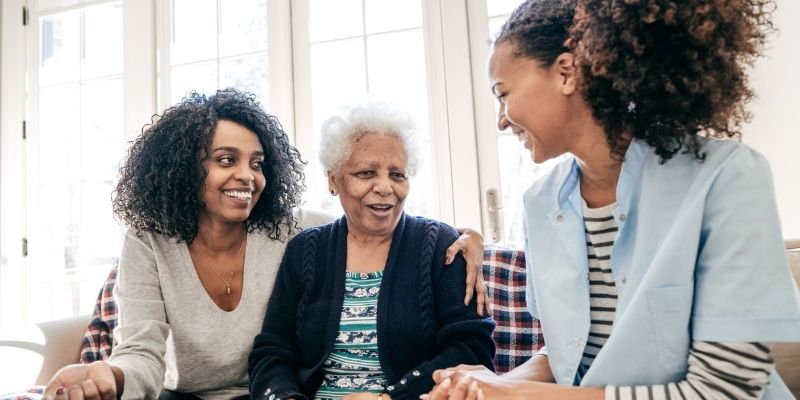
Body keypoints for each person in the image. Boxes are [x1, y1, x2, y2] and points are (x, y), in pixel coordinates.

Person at [425, 1, 800, 400]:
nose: (501, 118)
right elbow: (568, 353)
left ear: (566, 73)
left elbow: (727, 390)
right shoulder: (539, 202)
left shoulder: (728, 177)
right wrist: (488, 385)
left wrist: (515, 395)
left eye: (503, 94)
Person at [41, 89, 486, 400]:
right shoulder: (150, 243)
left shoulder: (291, 231)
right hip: (189, 395)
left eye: (256, 163)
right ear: (183, 168)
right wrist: (111, 375)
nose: (246, 176)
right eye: (225, 160)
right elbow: (143, 352)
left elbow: (372, 225)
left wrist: (469, 237)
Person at [248, 101, 496, 400]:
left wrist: (391, 398)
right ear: (333, 179)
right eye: (366, 173)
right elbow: (273, 351)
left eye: (397, 175)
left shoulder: (440, 245)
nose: (384, 187)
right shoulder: (305, 249)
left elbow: (472, 348)